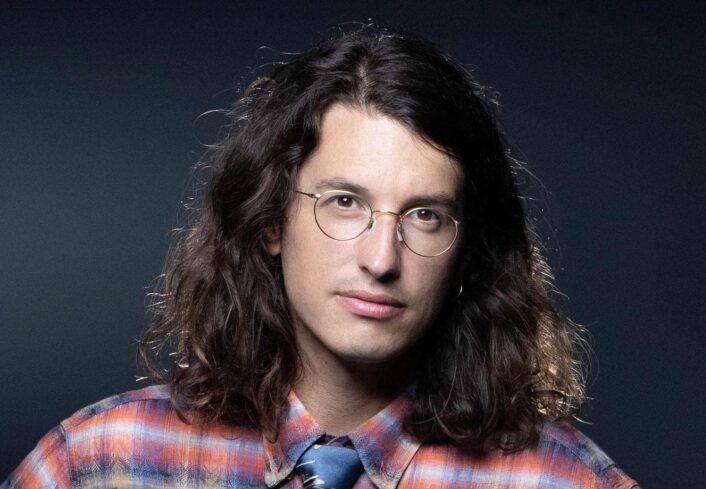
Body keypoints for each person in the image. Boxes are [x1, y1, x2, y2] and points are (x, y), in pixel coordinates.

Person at [3, 27, 640, 488]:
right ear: (270, 220)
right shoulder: (102, 462)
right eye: (344, 202)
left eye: (425, 215)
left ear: (466, 249)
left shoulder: (559, 480)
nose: (381, 259)